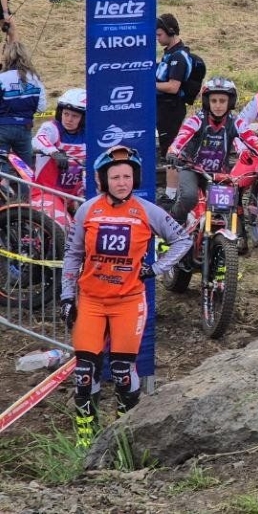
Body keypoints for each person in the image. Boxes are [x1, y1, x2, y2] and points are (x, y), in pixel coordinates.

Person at [60, 146, 191, 447]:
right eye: (116, 177)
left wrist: (156, 268)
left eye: (127, 177)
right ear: (103, 180)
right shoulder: (87, 210)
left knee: (121, 371)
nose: (122, 182)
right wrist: (67, 297)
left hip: (129, 302)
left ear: (136, 178)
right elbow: (72, 255)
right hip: (91, 301)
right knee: (84, 371)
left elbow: (182, 240)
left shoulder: (146, 210)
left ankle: (125, 436)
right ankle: (86, 439)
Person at [165, 78, 258, 231]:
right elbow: (181, 137)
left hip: (218, 173)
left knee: (227, 206)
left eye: (222, 101)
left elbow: (255, 142)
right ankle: (171, 225)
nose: (218, 105)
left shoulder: (236, 122)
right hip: (191, 168)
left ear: (230, 102)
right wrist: (173, 151)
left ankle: (234, 236)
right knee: (189, 197)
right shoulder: (196, 120)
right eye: (213, 101)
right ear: (207, 102)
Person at [33, 87, 87, 197]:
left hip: (78, 193)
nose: (69, 119)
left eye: (75, 116)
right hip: (47, 193)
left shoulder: (89, 133)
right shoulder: (51, 127)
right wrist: (54, 153)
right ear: (60, 113)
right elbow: (38, 139)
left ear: (84, 118)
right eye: (66, 114)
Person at [0, 38, 46, 163]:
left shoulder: (1, 78)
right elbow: (41, 108)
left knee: (1, 166)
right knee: (25, 168)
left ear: (7, 58)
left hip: (2, 128)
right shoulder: (35, 78)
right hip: (25, 127)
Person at [154, 14, 191, 159]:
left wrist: (150, 85)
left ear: (170, 32)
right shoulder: (170, 53)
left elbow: (173, 86)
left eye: (159, 35)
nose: (157, 38)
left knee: (169, 151)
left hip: (172, 108)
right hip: (164, 107)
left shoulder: (178, 56)